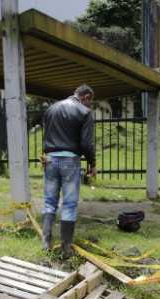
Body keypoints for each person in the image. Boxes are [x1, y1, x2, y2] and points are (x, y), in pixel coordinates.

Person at [41, 84, 96, 258]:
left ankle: (46, 243)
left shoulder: (51, 109)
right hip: (70, 161)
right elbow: (86, 144)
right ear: (86, 97)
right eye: (90, 101)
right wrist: (92, 163)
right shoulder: (85, 112)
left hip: (49, 159)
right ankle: (66, 248)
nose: (89, 105)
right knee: (69, 204)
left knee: (49, 201)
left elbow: (46, 135)